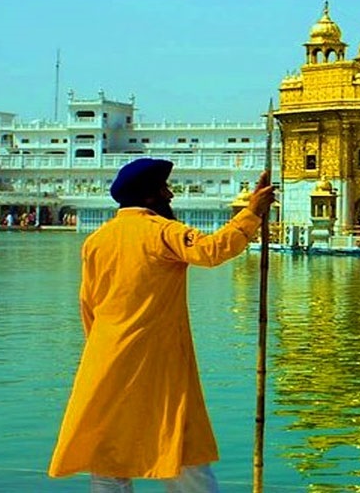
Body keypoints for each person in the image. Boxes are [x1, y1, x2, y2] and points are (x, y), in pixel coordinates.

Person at [48, 158, 275, 492]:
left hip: (105, 360)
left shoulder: (97, 240)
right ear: (149, 196)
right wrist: (252, 213)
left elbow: (88, 305)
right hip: (156, 361)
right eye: (164, 189)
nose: (170, 196)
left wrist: (102, 350)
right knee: (178, 444)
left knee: (108, 452)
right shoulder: (163, 232)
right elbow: (212, 251)